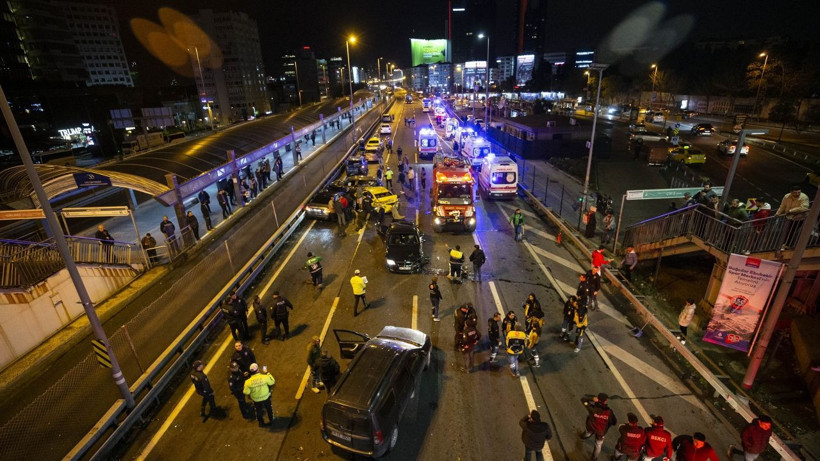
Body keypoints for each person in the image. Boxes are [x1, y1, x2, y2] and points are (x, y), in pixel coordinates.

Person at [580, 393, 618, 461]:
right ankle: (594, 459)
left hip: (591, 427)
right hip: (601, 431)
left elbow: (583, 400)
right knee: (598, 445)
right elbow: (614, 422)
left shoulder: (592, 408)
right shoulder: (609, 412)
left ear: (597, 399)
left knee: (588, 432)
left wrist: (592, 399)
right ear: (605, 401)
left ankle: (584, 436)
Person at [775, 185, 810, 250]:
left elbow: (804, 208)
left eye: (799, 192)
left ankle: (787, 245)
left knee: (791, 231)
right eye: (795, 193)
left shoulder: (804, 197)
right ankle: (784, 244)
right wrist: (777, 214)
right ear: (791, 192)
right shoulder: (786, 196)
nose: (797, 194)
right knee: (787, 230)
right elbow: (782, 206)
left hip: (798, 218)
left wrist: (791, 211)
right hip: (788, 217)